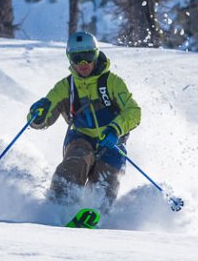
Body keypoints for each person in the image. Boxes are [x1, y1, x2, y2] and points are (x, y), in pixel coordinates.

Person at [27, 32, 141, 209]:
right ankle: (58, 205)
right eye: (77, 58)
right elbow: (43, 117)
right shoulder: (66, 87)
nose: (83, 64)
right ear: (69, 59)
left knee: (106, 178)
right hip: (81, 138)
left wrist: (115, 129)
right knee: (75, 163)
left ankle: (96, 212)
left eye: (88, 57)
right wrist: (37, 116)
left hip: (111, 142)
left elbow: (133, 112)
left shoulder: (112, 83)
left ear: (96, 54)